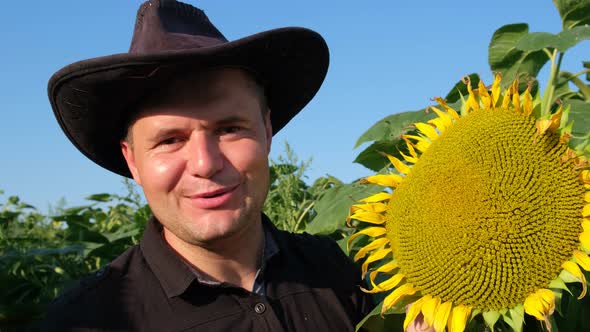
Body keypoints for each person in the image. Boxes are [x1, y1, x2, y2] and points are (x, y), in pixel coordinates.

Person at [42, 1, 373, 331]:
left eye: (230, 129)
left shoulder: (337, 270)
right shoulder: (88, 320)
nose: (205, 164)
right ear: (133, 160)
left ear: (267, 133)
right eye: (170, 140)